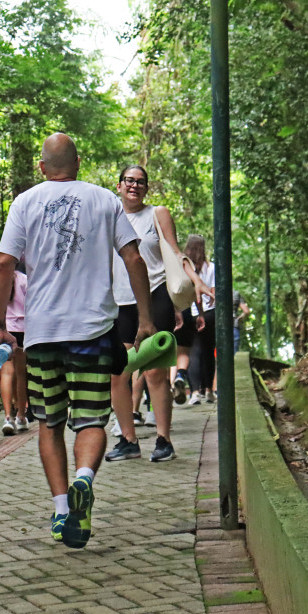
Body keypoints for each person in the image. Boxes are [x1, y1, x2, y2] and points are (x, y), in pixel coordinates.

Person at [0, 133, 155, 550]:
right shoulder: (104, 199)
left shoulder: (25, 202)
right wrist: (146, 320)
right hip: (95, 329)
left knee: (50, 422)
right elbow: (133, 258)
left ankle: (63, 509)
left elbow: (5, 263)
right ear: (78, 162)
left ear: (42, 167)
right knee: (92, 420)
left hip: (43, 331)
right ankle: (85, 478)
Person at [105, 167, 212, 463]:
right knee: (119, 373)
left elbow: (176, 253)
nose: (134, 186)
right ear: (119, 185)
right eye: (129, 181)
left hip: (156, 297)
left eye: (140, 182)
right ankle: (128, 440)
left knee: (154, 373)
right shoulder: (108, 214)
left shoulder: (158, 214)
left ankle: (164, 439)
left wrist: (197, 281)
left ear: (146, 188)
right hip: (119, 302)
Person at [0, 267, 29, 435]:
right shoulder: (24, 279)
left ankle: (8, 417)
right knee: (21, 374)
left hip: (2, 329)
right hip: (23, 330)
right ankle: (21, 417)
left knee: (7, 373)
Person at [174, 235, 216, 405]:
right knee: (208, 352)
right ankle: (208, 391)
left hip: (185, 310)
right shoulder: (210, 267)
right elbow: (213, 290)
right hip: (208, 312)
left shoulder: (181, 266)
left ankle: (194, 393)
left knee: (192, 352)